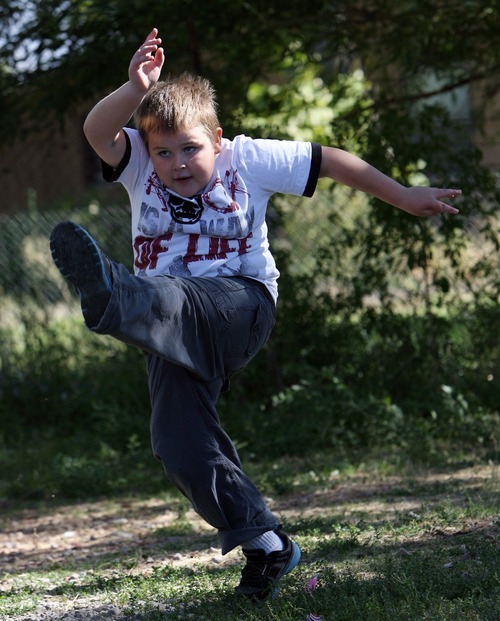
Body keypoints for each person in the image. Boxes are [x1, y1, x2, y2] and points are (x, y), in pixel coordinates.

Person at [50, 28, 461, 600]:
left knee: (171, 294)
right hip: (165, 328)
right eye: (163, 153)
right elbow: (96, 130)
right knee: (178, 444)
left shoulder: (249, 158)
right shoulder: (139, 160)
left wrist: (404, 194)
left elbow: (333, 161)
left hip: (239, 305)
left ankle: (111, 294)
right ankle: (267, 545)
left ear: (216, 140)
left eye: (190, 148)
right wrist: (132, 88)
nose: (176, 164)